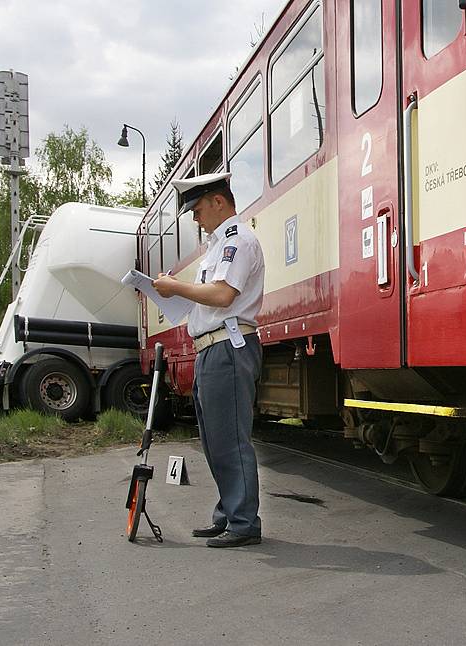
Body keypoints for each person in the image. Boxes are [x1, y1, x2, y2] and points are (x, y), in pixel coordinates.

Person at [153, 172, 264, 548]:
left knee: (230, 438)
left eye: (198, 210)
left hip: (228, 347)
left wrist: (174, 287)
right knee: (215, 439)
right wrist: (173, 293)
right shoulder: (217, 247)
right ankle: (229, 514)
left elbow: (221, 295)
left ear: (219, 202)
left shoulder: (238, 240)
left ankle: (244, 522)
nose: (195, 219)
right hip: (211, 348)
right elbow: (205, 296)